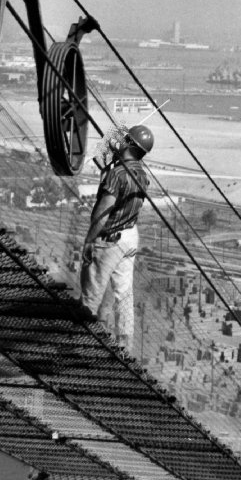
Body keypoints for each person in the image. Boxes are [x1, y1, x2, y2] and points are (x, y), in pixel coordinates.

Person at [80, 123, 153, 349]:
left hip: (110, 238)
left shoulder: (117, 173)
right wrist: (108, 169)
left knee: (91, 292)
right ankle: (125, 344)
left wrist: (89, 242)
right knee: (124, 293)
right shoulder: (142, 175)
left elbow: (103, 213)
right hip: (131, 235)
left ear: (129, 144)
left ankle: (83, 340)